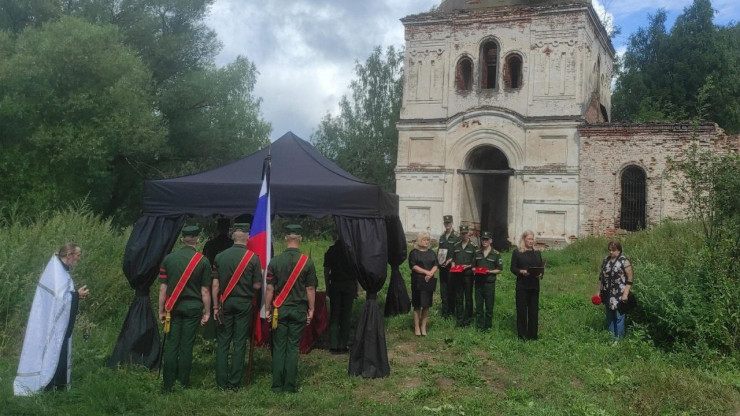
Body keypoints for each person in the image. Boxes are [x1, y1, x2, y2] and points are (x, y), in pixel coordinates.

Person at [14, 243, 89, 396]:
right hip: (51, 322)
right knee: (54, 348)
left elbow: (61, 297)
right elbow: (60, 299)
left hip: (55, 320)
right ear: (69, 256)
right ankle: (50, 384)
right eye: (77, 256)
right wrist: (77, 295)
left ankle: (58, 384)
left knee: (60, 348)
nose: (79, 259)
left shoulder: (59, 269)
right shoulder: (56, 271)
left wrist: (74, 294)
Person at [264, 224, 317, 393]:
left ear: (286, 238)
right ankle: (290, 386)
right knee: (293, 348)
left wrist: (266, 309)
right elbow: (310, 289)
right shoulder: (307, 262)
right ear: (300, 239)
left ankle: (277, 386)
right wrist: (312, 309)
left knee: (279, 347)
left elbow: (270, 289)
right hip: (299, 310)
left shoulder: (275, 261)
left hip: (279, 310)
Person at [158, 225, 212, 391]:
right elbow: (205, 291)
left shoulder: (169, 259)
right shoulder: (203, 261)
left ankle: (168, 382)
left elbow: (163, 289)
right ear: (197, 240)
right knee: (187, 345)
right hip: (193, 307)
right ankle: (182, 382)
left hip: (173, 307)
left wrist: (161, 310)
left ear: (182, 239)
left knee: (172, 344)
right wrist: (207, 311)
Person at [211, 223, 262, 390]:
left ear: (233, 236)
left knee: (224, 341)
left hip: (225, 302)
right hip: (243, 303)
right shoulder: (253, 258)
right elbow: (256, 286)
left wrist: (216, 307)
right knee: (240, 342)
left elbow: (215, 285)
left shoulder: (219, 257)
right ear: (247, 237)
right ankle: (234, 383)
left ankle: (220, 382)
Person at [324, 237, 357, 354]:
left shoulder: (331, 251)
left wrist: (327, 286)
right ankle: (343, 344)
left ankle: (333, 344)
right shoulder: (351, 251)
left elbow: (326, 271)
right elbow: (356, 271)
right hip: (349, 284)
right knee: (346, 315)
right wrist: (356, 289)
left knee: (334, 314)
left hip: (336, 284)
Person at [595, 241, 634, 339]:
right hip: (607, 293)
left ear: (619, 250)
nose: (611, 252)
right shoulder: (606, 260)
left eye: (613, 250)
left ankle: (619, 339)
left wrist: (625, 294)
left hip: (619, 294)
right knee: (610, 317)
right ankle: (611, 337)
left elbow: (630, 279)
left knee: (619, 316)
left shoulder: (624, 261)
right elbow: (601, 277)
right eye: (609, 250)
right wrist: (598, 292)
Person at [510, 230, 544, 340]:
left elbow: (540, 267)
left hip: (534, 285)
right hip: (522, 285)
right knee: (522, 311)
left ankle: (533, 335)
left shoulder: (537, 253)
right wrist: (521, 272)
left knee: (533, 312)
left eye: (532, 239)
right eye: (529, 239)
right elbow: (513, 268)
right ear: (524, 239)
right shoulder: (517, 252)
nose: (531, 241)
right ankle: (522, 335)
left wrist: (540, 274)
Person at [408, 232, 438, 336]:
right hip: (418, 280)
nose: (426, 242)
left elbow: (436, 264)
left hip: (429, 280)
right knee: (417, 305)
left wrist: (431, 273)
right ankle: (416, 327)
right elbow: (413, 266)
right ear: (419, 240)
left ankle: (423, 326)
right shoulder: (414, 253)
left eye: (427, 240)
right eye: (424, 240)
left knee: (426, 305)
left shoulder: (432, 253)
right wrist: (426, 272)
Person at [473, 231, 502, 331]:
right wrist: (475, 270)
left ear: (490, 240)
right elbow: (473, 266)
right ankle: (479, 326)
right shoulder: (477, 253)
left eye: (486, 239)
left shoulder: (496, 254)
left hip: (489, 283)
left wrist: (489, 271)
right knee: (479, 306)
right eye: (483, 239)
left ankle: (488, 326)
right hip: (478, 283)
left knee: (489, 306)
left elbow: (499, 269)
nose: (484, 241)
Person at [451, 225, 477, 327]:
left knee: (468, 297)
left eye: (465, 233)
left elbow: (475, 262)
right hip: (457, 275)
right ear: (460, 234)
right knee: (459, 297)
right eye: (462, 233)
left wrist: (468, 266)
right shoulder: (456, 246)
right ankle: (459, 319)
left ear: (468, 234)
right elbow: (453, 259)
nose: (464, 235)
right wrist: (453, 265)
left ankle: (468, 320)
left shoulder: (473, 247)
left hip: (468, 275)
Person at [438, 215, 460, 318]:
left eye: (449, 223)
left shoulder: (457, 236)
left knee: (452, 288)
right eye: (446, 223)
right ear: (444, 224)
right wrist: (439, 262)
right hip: (443, 267)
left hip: (452, 266)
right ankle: (444, 312)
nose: (447, 224)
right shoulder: (442, 237)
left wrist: (451, 260)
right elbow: (440, 251)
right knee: (443, 289)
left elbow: (458, 252)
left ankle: (452, 311)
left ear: (452, 223)